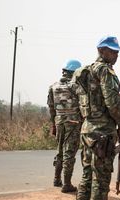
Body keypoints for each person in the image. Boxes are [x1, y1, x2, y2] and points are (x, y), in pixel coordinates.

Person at [71, 36, 120, 200]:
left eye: (117, 51)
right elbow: (113, 104)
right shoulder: (105, 71)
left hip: (88, 130)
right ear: (102, 50)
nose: (117, 54)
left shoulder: (84, 72)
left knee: (86, 178)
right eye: (113, 51)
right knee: (101, 181)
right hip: (102, 133)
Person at [47, 59, 82, 192]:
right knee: (69, 153)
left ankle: (57, 179)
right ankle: (67, 184)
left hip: (59, 121)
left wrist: (53, 124)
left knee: (60, 150)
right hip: (73, 123)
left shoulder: (53, 86)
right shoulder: (76, 87)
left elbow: (51, 108)